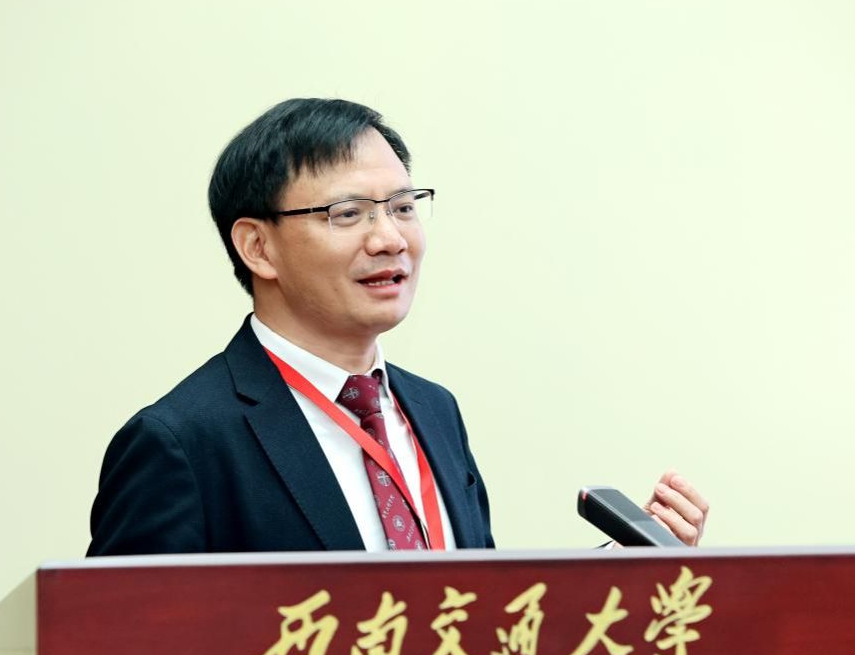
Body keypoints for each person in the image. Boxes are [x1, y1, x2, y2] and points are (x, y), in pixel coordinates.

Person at [86, 98, 708, 557]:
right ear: (258, 247)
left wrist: (620, 569)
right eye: (347, 213)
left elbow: (468, 624)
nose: (390, 238)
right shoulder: (180, 443)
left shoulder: (434, 410)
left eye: (404, 207)